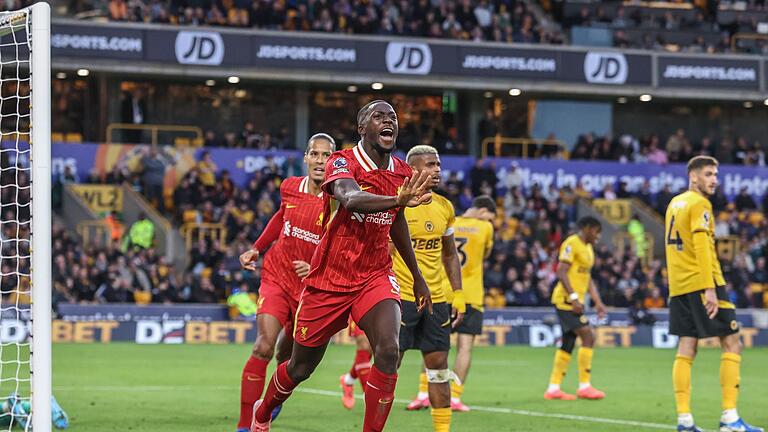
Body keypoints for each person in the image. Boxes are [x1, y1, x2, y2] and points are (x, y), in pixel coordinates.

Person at [250, 100, 433, 432]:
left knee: (389, 350)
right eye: (379, 117)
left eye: (392, 117)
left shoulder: (401, 173)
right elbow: (349, 198)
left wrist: (417, 276)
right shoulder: (342, 161)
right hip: (330, 278)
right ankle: (263, 412)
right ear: (363, 127)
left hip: (375, 274)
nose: (388, 121)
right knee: (300, 368)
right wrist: (397, 200)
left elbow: (396, 223)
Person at [235, 133, 335, 432]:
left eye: (326, 155)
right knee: (264, 346)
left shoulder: (340, 200)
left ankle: (272, 400)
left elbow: (342, 243)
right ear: (306, 158)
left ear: (334, 161)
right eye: (315, 155)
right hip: (277, 276)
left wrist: (316, 266)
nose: (319, 161)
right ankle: (245, 426)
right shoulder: (289, 187)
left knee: (288, 359)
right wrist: (256, 247)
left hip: (311, 289)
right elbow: (280, 217)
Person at [665, 156, 763, 432]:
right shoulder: (700, 204)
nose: (714, 179)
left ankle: (685, 421)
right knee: (732, 343)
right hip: (704, 283)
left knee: (686, 347)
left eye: (716, 174)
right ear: (693, 176)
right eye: (708, 174)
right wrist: (709, 287)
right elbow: (699, 245)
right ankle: (730, 419)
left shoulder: (674, 203)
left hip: (680, 285)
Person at [394, 145, 465, 432]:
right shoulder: (397, 204)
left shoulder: (445, 207)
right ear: (413, 170)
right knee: (389, 367)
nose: (437, 169)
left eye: (438, 164)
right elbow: (383, 253)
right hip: (401, 297)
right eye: (430, 164)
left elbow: (449, 254)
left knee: (438, 371)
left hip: (437, 301)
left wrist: (458, 293)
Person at [544, 216, 607, 401]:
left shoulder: (588, 248)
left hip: (576, 302)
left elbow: (587, 278)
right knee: (588, 336)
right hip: (565, 301)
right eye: (596, 231)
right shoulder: (572, 243)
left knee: (568, 343)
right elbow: (561, 271)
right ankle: (585, 386)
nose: (598, 236)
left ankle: (554, 388)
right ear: (587, 228)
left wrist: (598, 301)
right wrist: (573, 297)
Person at [448, 196, 496, 412]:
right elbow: (486, 254)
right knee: (465, 347)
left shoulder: (450, 221)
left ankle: (425, 393)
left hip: (446, 292)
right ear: (484, 211)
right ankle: (455, 397)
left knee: (436, 346)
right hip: (472, 294)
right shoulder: (485, 227)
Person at [339, 321, 373, 410]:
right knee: (364, 343)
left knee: (371, 347)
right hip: (357, 308)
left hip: (381, 308)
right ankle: (368, 396)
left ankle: (347, 380)